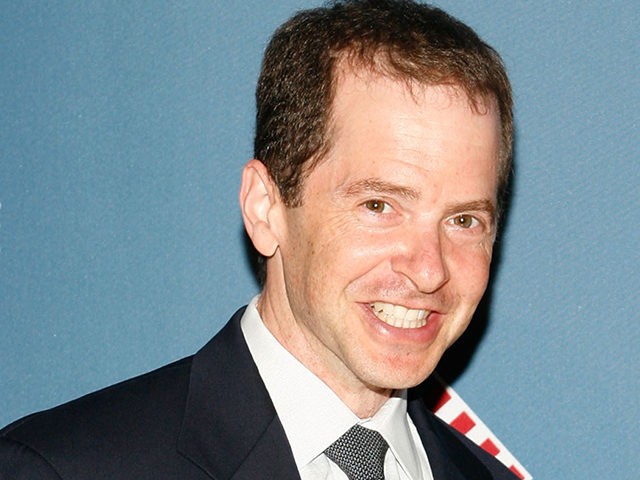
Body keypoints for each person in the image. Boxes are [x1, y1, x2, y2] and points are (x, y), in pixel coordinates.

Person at [0, 1, 517, 478]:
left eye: (464, 220)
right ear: (265, 209)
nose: (430, 270)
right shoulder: (67, 469)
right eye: (379, 206)